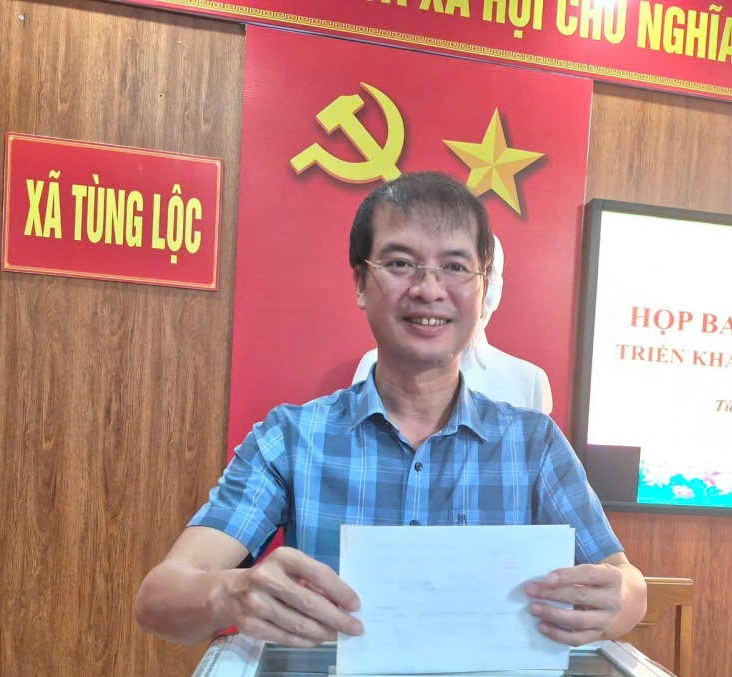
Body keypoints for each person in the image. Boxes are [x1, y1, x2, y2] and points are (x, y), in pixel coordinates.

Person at [135, 172, 646, 649]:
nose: (429, 288)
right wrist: (229, 593)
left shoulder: (533, 444)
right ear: (361, 283)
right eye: (401, 264)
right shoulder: (291, 439)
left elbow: (628, 585)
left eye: (455, 267)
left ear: (482, 286)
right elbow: (159, 597)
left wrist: (615, 600)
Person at [352, 235, 554, 414]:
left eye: (487, 276)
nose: (478, 296)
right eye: (456, 270)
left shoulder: (529, 381)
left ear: (497, 289)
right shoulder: (373, 364)